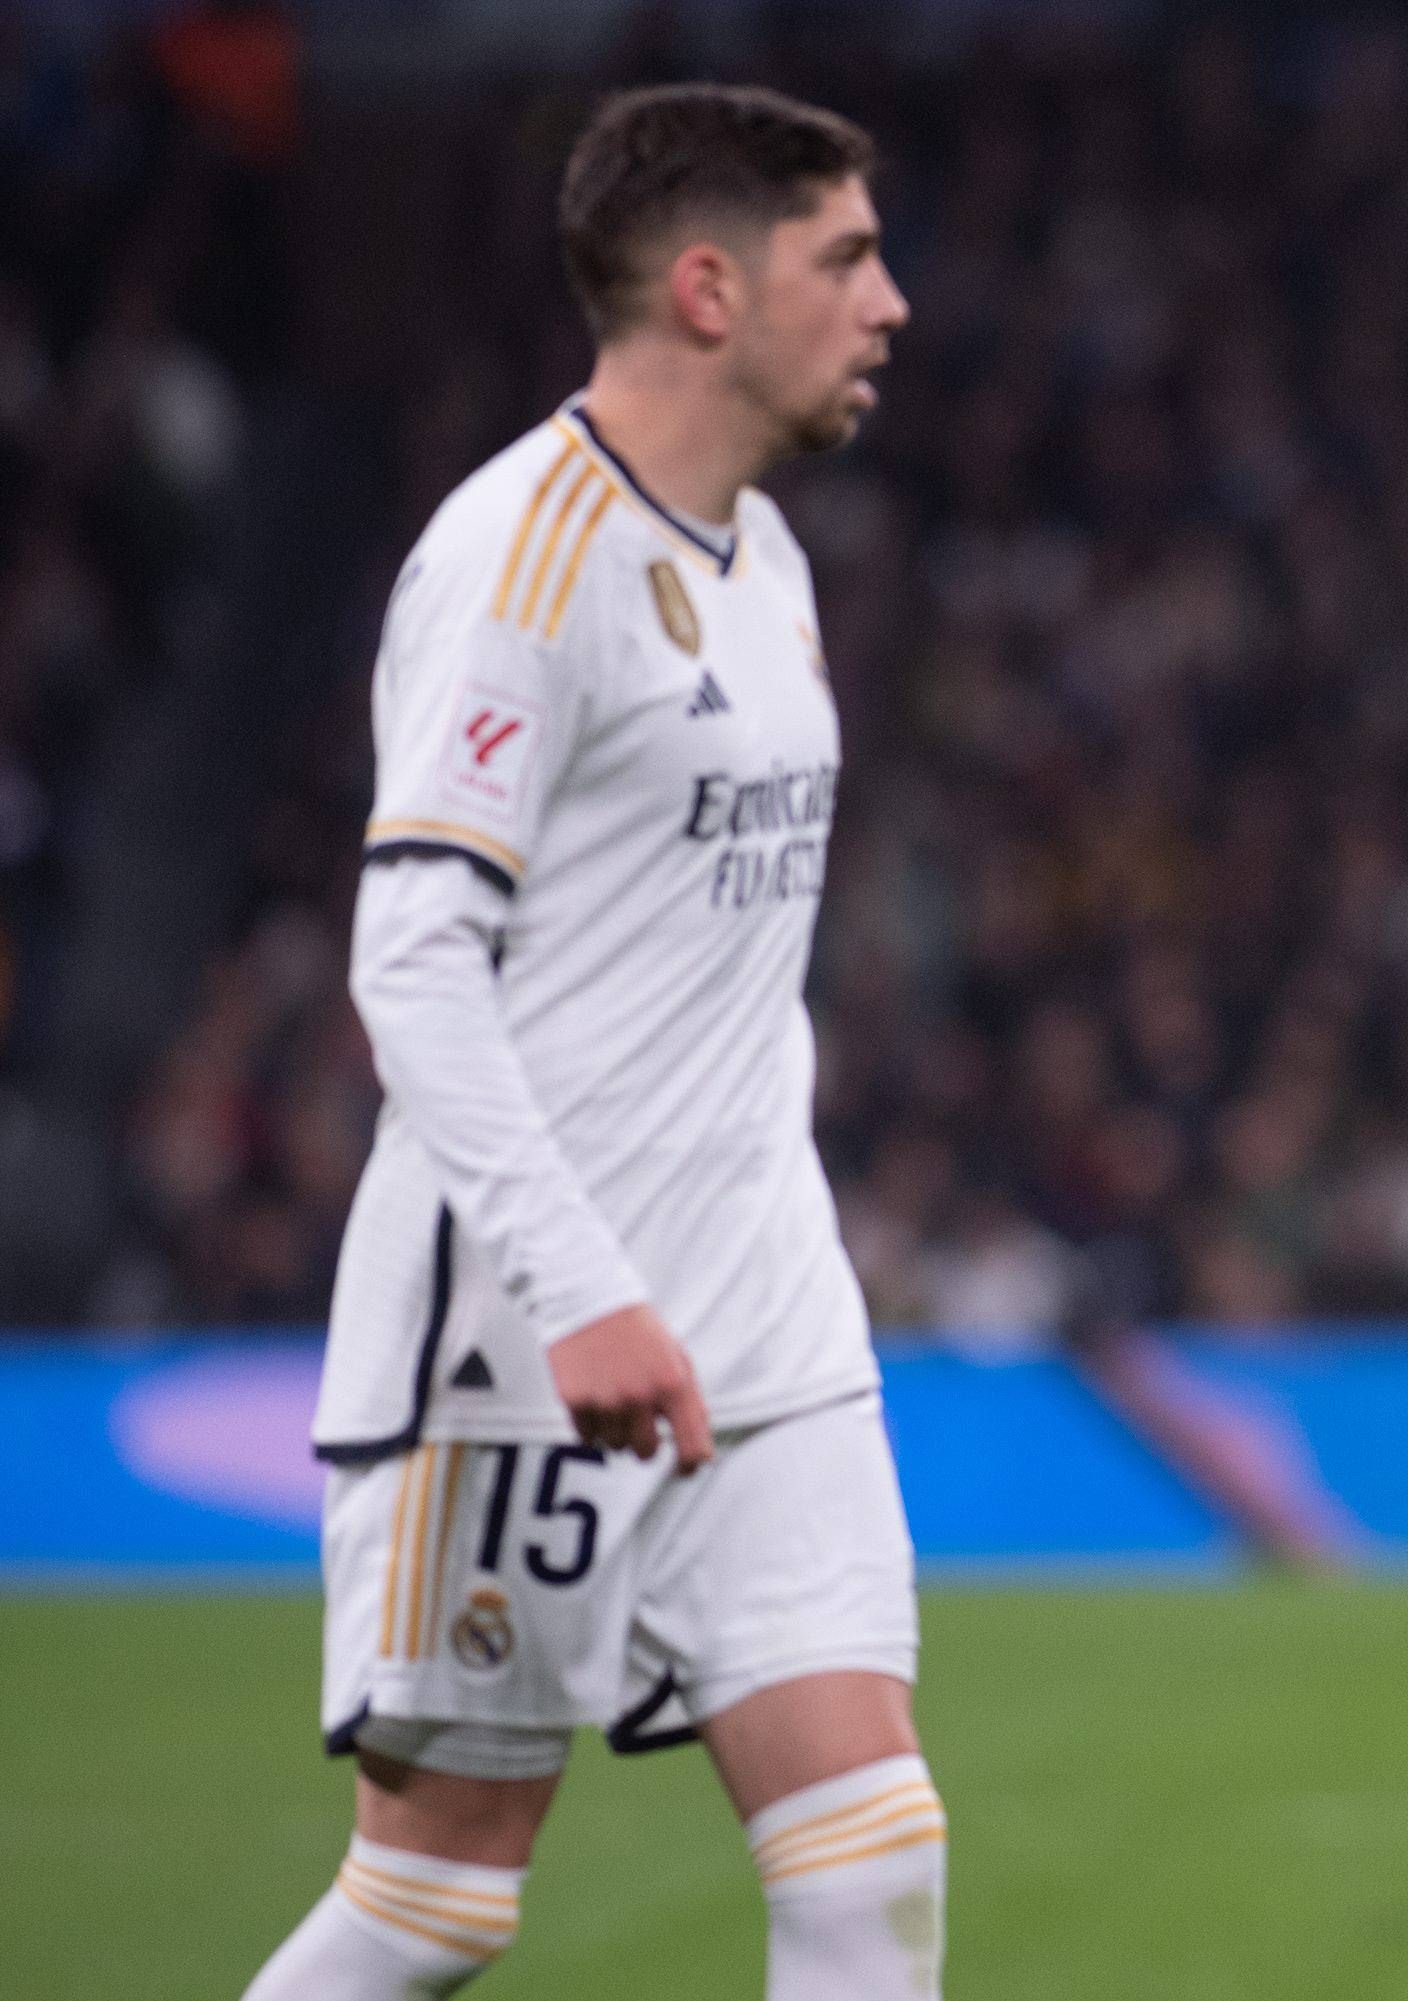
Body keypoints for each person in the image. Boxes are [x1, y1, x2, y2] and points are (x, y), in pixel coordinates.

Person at [243, 83, 934, 1999]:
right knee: (432, 1905)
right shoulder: (517, 561)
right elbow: (412, 962)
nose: (890, 303)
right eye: (847, 258)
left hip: (767, 1318)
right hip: (525, 1335)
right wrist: (582, 1288)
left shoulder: (767, 560)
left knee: (871, 1853)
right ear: (710, 290)